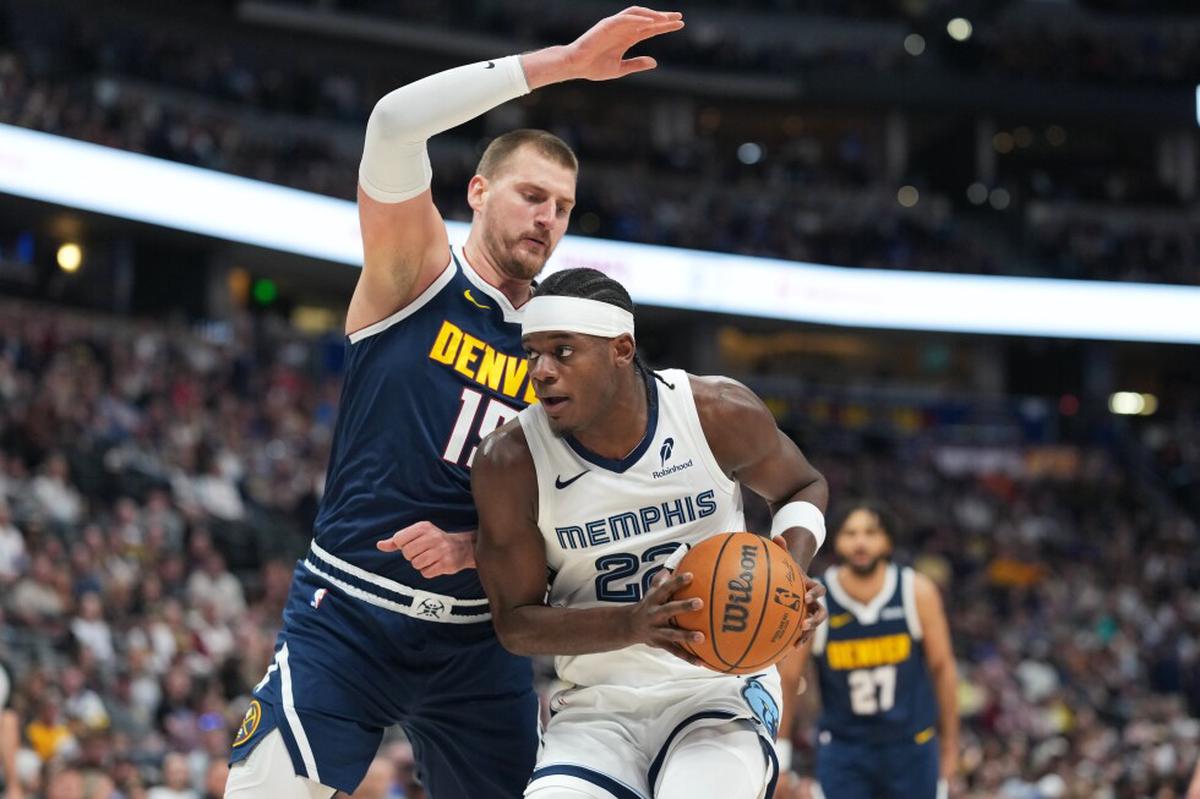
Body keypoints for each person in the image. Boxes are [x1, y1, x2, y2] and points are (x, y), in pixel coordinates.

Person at [224, 8, 688, 798]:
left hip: (480, 641)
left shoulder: (569, 347)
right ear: (477, 190)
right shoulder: (418, 273)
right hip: (353, 611)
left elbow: (589, 504)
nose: (547, 217)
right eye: (532, 194)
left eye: (563, 207)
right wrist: (563, 63)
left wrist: (477, 545)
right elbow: (391, 122)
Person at [472, 268, 829, 799]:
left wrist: (787, 578)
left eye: (563, 352)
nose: (541, 372)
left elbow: (802, 485)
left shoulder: (715, 413)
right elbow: (515, 625)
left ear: (621, 349)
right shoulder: (509, 462)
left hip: (720, 687)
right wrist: (633, 624)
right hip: (596, 706)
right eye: (533, 353)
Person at [793, 502, 959, 799]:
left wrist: (950, 747)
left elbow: (943, 669)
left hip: (912, 745)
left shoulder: (916, 591)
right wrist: (781, 753)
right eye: (850, 533)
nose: (860, 542)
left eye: (871, 533)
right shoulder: (817, 599)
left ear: (888, 541)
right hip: (844, 749)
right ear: (836, 540)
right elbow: (789, 678)